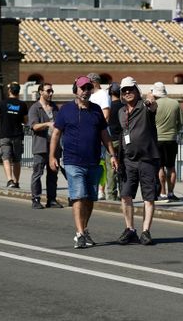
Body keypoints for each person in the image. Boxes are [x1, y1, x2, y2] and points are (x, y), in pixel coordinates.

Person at [49, 75, 116, 249]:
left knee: (90, 198)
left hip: (93, 161)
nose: (85, 91)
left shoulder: (96, 110)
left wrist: (113, 155)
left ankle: (84, 229)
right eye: (82, 88)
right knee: (78, 196)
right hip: (73, 161)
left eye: (88, 88)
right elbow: (56, 134)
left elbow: (105, 135)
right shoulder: (66, 110)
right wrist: (52, 156)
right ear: (75, 90)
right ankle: (79, 234)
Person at [116, 77, 160, 246]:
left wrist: (151, 101)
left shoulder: (144, 106)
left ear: (137, 90)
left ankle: (146, 231)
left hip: (147, 158)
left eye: (130, 89)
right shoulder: (121, 112)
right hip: (128, 160)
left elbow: (153, 106)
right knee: (125, 195)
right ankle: (130, 229)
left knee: (148, 197)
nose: (127, 92)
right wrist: (117, 158)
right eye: (124, 90)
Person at [28, 82, 62, 209]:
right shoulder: (35, 108)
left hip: (54, 147)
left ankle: (51, 199)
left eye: (51, 91)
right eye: (48, 91)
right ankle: (36, 199)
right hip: (41, 146)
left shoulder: (55, 107)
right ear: (41, 92)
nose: (51, 93)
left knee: (53, 173)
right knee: (37, 173)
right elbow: (34, 126)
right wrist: (47, 124)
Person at [0, 81, 27, 188]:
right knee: (17, 160)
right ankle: (16, 182)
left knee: (6, 158)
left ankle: (9, 180)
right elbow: (26, 121)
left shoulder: (2, 103)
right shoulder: (22, 104)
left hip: (5, 135)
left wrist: (2, 116)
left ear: (10, 90)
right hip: (17, 136)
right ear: (18, 92)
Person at [152, 81, 183, 202]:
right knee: (171, 167)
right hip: (171, 139)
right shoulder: (175, 103)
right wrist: (175, 130)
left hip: (157, 140)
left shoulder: (154, 104)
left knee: (160, 167)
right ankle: (171, 193)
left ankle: (163, 193)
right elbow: (181, 122)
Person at [87, 73, 112, 200]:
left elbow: (106, 115)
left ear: (94, 82)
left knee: (101, 162)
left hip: (99, 133)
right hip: (91, 133)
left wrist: (99, 133)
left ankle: (101, 190)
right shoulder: (91, 95)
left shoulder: (103, 94)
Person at [104, 82, 123, 201]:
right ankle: (123, 192)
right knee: (122, 167)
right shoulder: (124, 106)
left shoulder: (108, 107)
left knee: (110, 169)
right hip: (122, 141)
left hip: (110, 141)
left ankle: (111, 194)